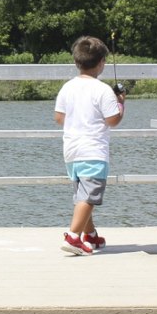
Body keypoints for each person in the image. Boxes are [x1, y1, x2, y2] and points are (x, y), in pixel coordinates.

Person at [54, 36, 125, 256]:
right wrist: (120, 103)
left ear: (77, 62)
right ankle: (74, 236)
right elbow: (113, 120)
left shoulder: (67, 87)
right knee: (89, 196)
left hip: (72, 151)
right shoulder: (102, 90)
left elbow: (59, 117)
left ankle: (90, 234)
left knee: (82, 195)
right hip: (93, 150)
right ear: (102, 62)